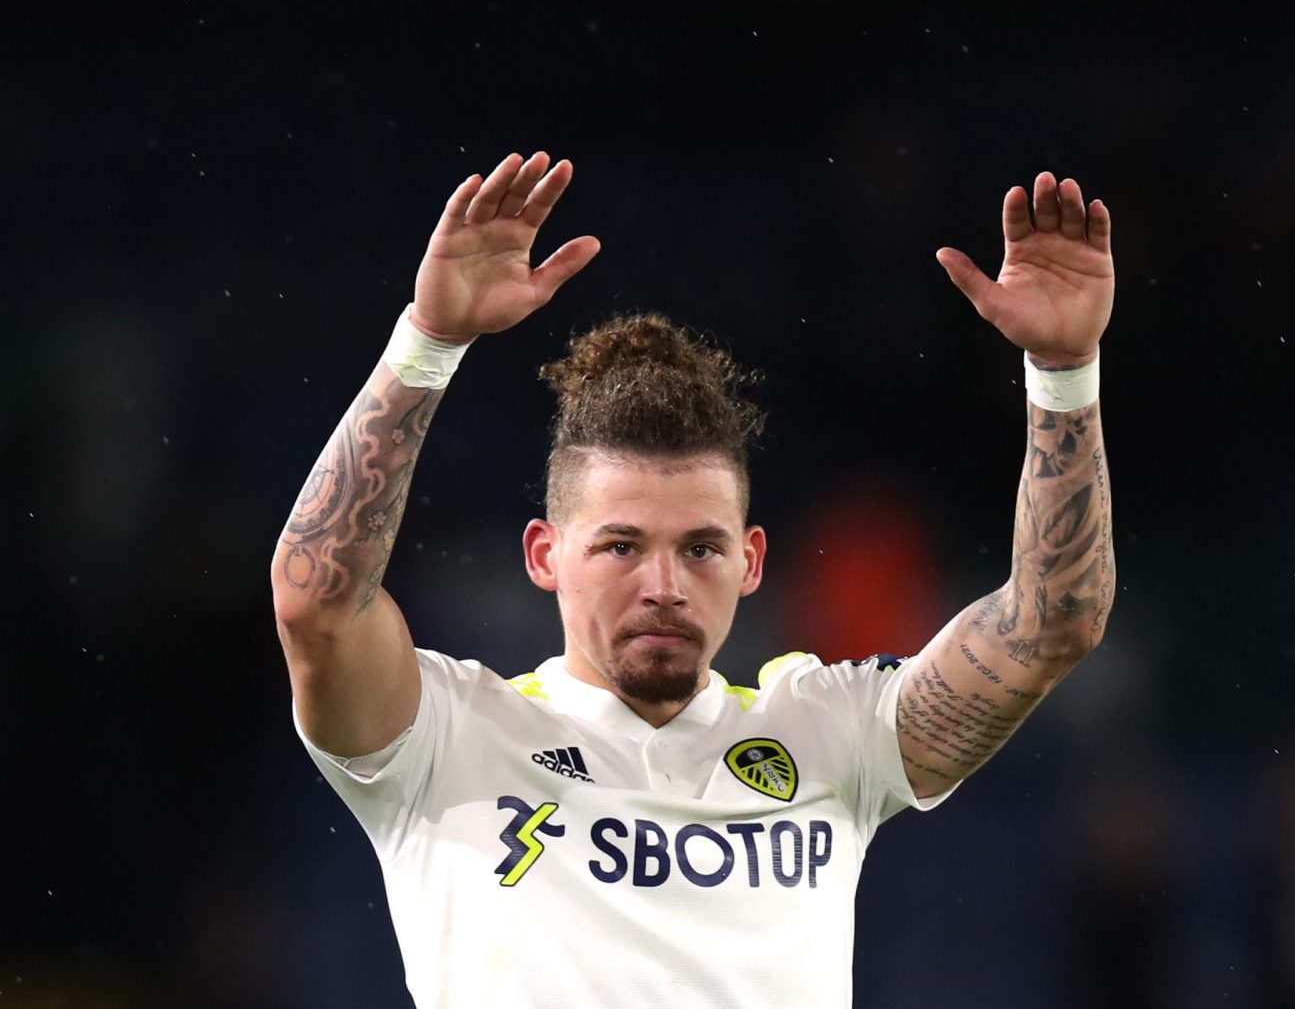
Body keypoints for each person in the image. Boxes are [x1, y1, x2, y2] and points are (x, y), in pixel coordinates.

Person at [271, 150, 1116, 1008]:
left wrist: (1063, 374)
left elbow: (1051, 625)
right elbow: (316, 603)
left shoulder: (831, 732)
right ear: (544, 555)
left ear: (752, 562)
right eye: (621, 547)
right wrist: (428, 343)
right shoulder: (445, 739)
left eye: (701, 549)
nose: (665, 585)